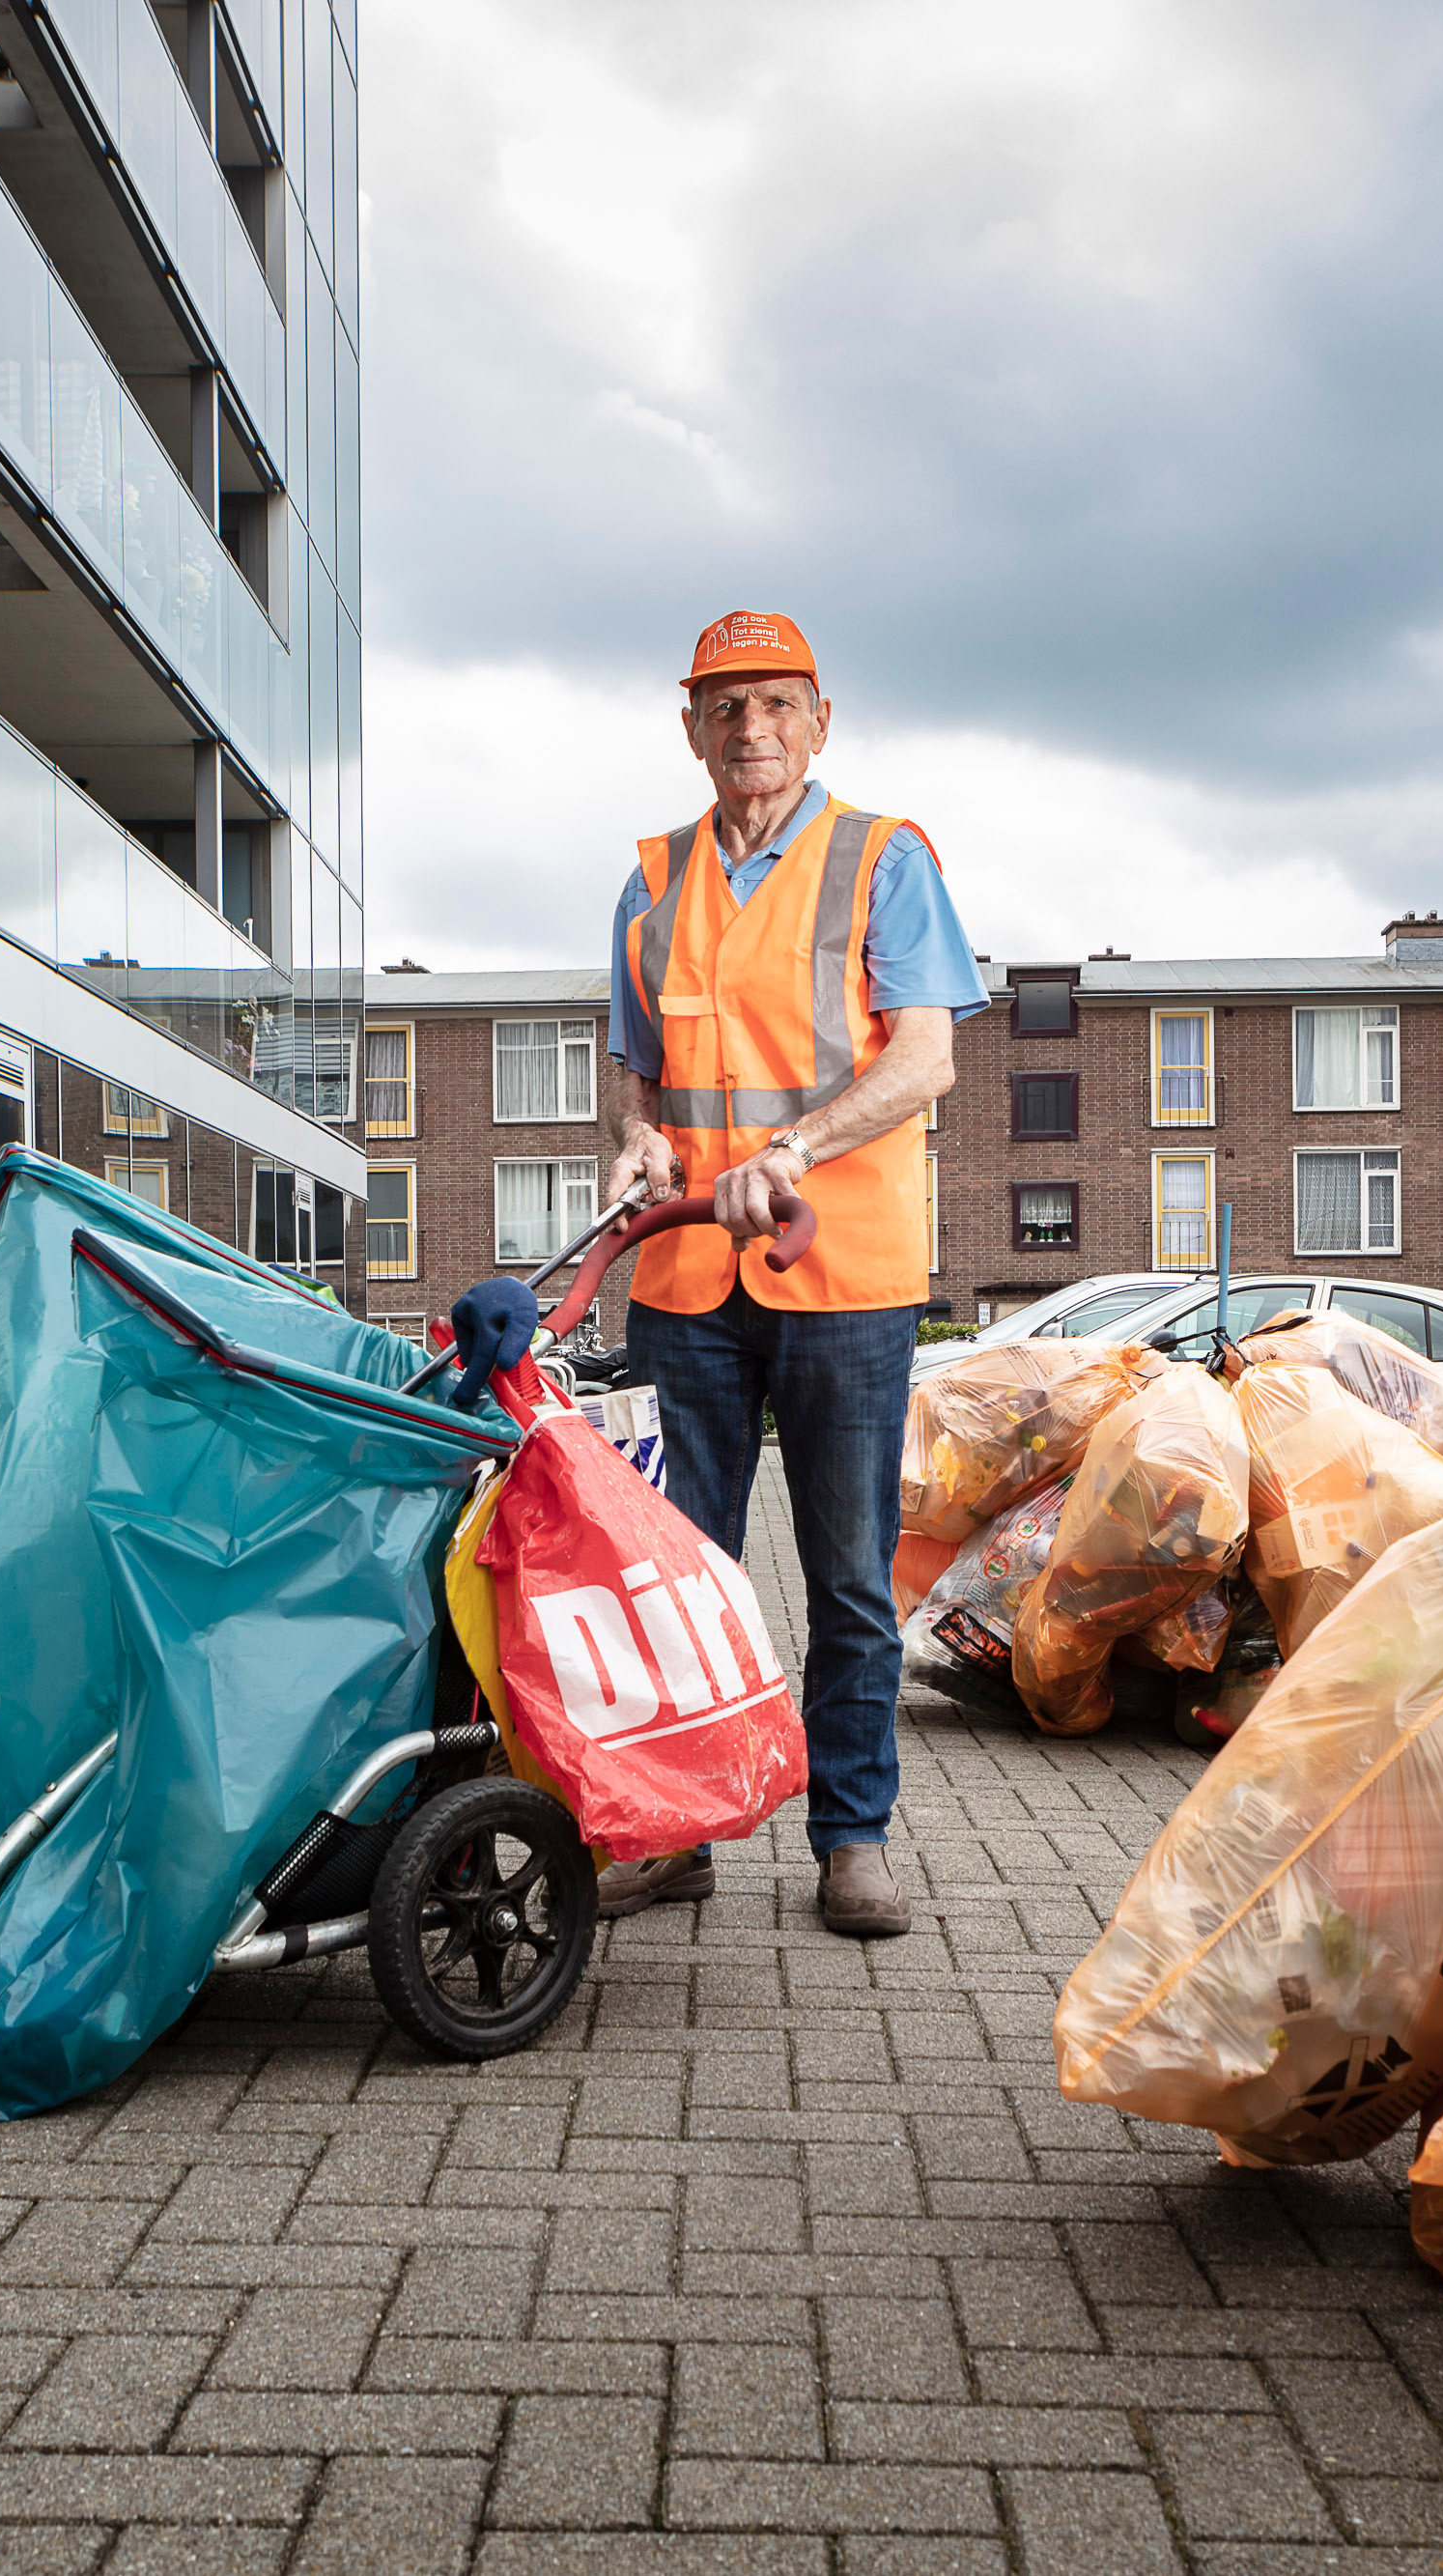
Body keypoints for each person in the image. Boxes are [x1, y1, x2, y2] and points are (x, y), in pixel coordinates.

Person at [593, 611, 981, 1938]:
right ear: (689, 726)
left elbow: (924, 1057)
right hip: (689, 1275)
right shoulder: (651, 878)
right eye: (725, 707)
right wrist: (639, 1139)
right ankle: (679, 1830)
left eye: (776, 705)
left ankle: (852, 1837)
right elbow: (638, 1068)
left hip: (846, 1274)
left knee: (850, 1576)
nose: (750, 730)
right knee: (673, 1574)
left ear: (820, 720)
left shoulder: (884, 859)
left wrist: (792, 1147)